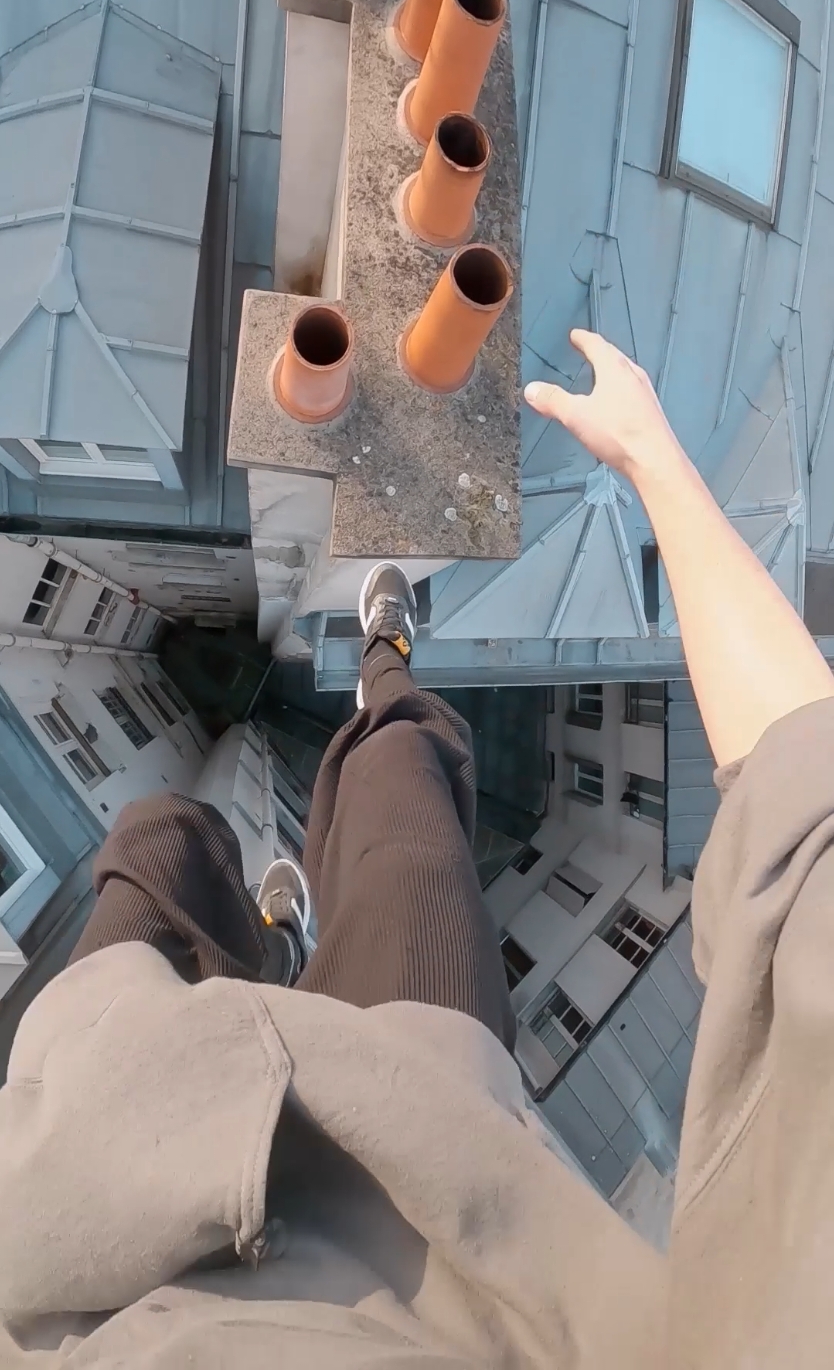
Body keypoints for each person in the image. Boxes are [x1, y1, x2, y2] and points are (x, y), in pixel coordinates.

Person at [2, 330, 833, 1369]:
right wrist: (653, 462)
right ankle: (386, 666)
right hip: (419, 1154)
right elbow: (808, 830)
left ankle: (273, 935)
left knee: (158, 831)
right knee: (404, 789)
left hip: (87, 1188)